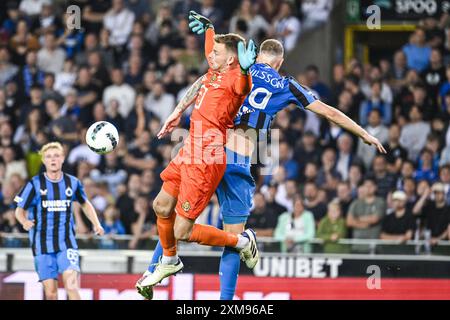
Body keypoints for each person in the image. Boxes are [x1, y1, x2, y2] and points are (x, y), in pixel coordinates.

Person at [137, 13, 386, 300]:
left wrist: (178, 109)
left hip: (205, 149)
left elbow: (201, 83)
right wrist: (364, 133)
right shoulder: (286, 84)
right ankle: (225, 300)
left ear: (257, 56)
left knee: (173, 211)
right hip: (238, 161)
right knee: (228, 235)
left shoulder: (238, 68)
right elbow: (328, 111)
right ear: (279, 62)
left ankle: (153, 271)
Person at [135, 10, 258, 295]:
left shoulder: (236, 80)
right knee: (161, 206)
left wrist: (245, 69)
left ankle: (241, 242)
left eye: (215, 52)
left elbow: (242, 84)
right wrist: (210, 29)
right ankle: (169, 259)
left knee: (183, 231)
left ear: (230, 59)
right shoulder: (215, 69)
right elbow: (211, 47)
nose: (209, 54)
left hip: (207, 157)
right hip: (190, 147)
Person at [13, 142, 104, 300]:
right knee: (51, 293)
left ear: (62, 158)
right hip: (42, 246)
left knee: (71, 286)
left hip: (66, 244)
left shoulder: (73, 183)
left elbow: (85, 204)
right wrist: (24, 221)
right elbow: (19, 210)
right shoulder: (34, 184)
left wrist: (97, 224)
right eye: (48, 156)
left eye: (56, 156)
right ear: (43, 160)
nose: (53, 159)